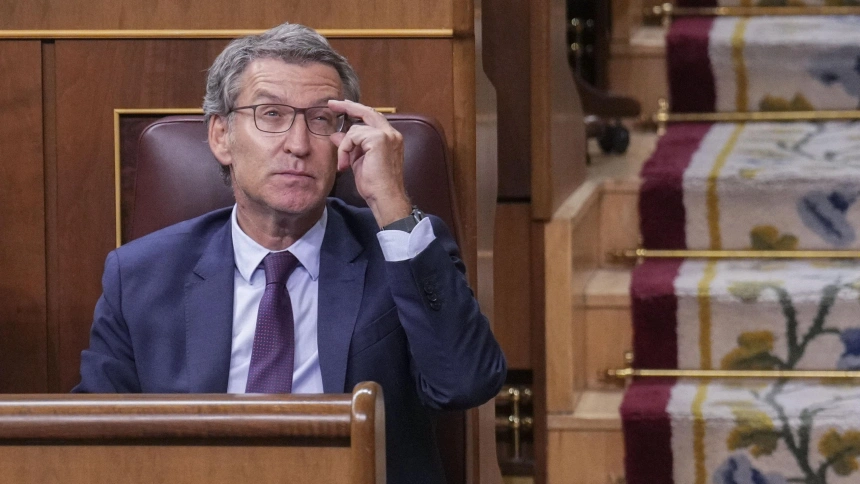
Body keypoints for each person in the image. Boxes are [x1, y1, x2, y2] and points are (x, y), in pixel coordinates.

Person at [73, 22, 507, 483]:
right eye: (271, 114)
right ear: (221, 136)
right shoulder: (141, 275)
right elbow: (94, 442)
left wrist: (393, 205)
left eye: (321, 120)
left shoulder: (401, 251)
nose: (298, 145)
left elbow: (466, 383)